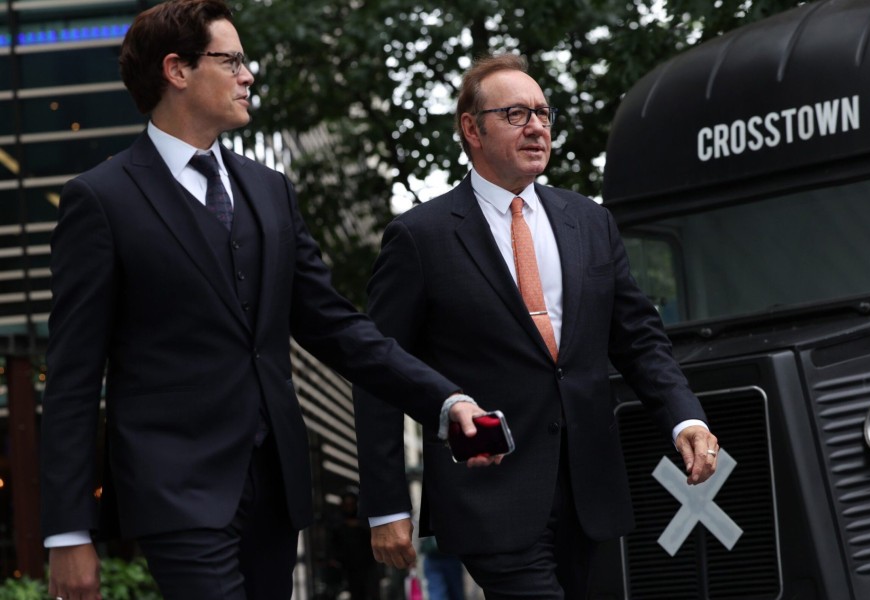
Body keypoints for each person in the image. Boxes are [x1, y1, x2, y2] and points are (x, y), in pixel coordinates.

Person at [39, 2, 496, 599]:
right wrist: (68, 532)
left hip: (275, 485)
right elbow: (73, 377)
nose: (247, 75)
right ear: (176, 70)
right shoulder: (99, 200)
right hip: (176, 488)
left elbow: (334, 324)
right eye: (230, 60)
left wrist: (442, 397)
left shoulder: (269, 190)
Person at [352, 53, 719, 598]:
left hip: (590, 489)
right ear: (471, 129)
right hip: (488, 493)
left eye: (544, 114)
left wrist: (684, 418)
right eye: (517, 114)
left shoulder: (590, 222)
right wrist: (385, 505)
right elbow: (378, 371)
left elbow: (639, 338)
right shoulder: (420, 238)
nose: (537, 127)